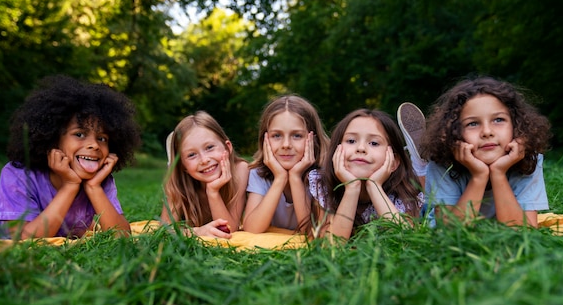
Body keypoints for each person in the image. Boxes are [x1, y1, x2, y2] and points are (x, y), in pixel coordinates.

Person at [0, 75, 141, 239]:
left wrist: (93, 188)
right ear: (53, 139)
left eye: (102, 138)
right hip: (1, 212)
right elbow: (26, 239)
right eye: (79, 134)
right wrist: (70, 185)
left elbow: (122, 236)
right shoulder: (18, 174)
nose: (94, 145)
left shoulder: (100, 180)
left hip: (57, 223)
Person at [419, 75, 551, 227]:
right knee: (418, 210)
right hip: (440, 221)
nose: (487, 132)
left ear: (515, 125)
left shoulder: (528, 159)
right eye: (473, 123)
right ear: (454, 132)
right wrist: (479, 176)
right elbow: (451, 234)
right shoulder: (442, 162)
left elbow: (523, 233)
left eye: (498, 120)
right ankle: (417, 175)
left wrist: (498, 173)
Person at [309, 109, 424, 239]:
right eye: (351, 141)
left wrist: (375, 187)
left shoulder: (404, 195)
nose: (361, 148)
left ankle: (423, 166)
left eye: (374, 143)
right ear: (336, 150)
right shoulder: (324, 186)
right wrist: (352, 188)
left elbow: (406, 243)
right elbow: (332, 247)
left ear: (393, 161)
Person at [243, 95, 329, 234]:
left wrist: (295, 177)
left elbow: (311, 232)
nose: (286, 145)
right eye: (277, 135)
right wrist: (280, 178)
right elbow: (252, 229)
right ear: (265, 139)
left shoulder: (322, 176)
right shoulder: (258, 174)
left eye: (297, 136)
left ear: (313, 139)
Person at [161, 111, 249, 238]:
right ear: (182, 166)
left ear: (227, 147)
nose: (204, 160)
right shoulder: (177, 181)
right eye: (192, 155)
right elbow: (164, 230)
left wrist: (213, 192)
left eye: (209, 147)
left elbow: (229, 229)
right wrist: (197, 232)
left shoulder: (240, 170)